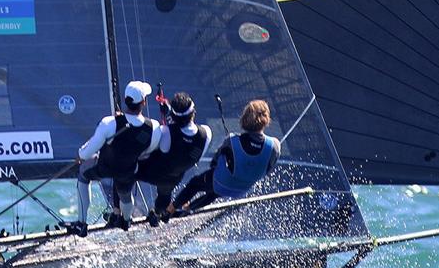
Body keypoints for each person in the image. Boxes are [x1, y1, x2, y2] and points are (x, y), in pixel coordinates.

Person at [65, 80, 161, 236]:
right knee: (125, 192)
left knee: (83, 173)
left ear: (125, 101)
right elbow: (147, 152)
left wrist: (80, 156)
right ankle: (127, 220)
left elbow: (88, 151)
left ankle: (81, 223)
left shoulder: (109, 123)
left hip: (105, 167)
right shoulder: (154, 127)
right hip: (128, 170)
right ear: (143, 102)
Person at [164, 99, 280, 217]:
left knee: (195, 183)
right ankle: (188, 209)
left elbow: (214, 162)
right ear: (266, 119)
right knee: (214, 192)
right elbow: (267, 169)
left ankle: (169, 210)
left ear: (245, 119)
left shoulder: (232, 140)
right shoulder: (275, 145)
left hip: (222, 183)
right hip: (243, 189)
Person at [134, 91, 212, 226]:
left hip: (153, 172)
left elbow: (163, 146)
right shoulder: (206, 133)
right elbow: (185, 135)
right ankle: (158, 214)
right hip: (174, 178)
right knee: (164, 194)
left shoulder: (166, 132)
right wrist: (171, 117)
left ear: (173, 116)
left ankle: (120, 213)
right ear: (193, 112)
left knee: (125, 171)